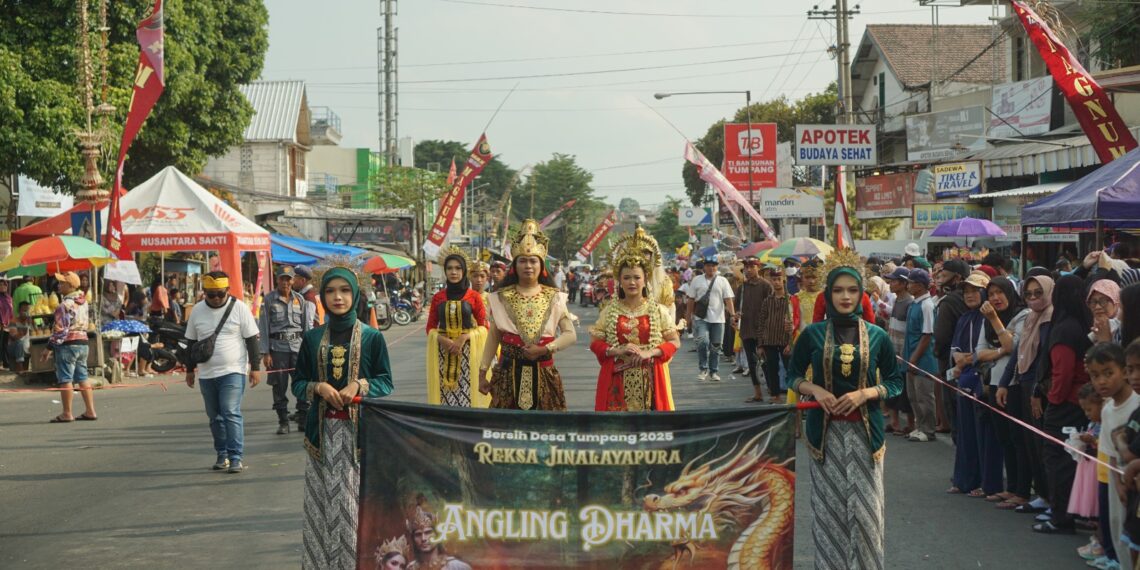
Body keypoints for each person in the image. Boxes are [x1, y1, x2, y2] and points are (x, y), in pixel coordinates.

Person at [789, 266, 904, 570]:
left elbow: (895, 381)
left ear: (861, 294)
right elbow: (793, 375)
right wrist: (815, 390)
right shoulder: (812, 334)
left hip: (866, 438)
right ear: (828, 294)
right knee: (829, 517)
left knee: (867, 519)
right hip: (825, 438)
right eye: (838, 290)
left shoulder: (877, 335)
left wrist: (865, 394)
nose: (845, 296)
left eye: (852, 290)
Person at [292, 266, 394, 569]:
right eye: (331, 291)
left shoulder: (373, 338)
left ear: (355, 294)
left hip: (358, 437)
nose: (338, 297)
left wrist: (359, 385)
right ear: (322, 296)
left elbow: (385, 381)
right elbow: (298, 382)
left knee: (352, 506)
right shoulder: (312, 339)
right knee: (322, 506)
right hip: (321, 436)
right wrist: (318, 387)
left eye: (345, 290)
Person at [478, 220, 576, 410]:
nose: (528, 266)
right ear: (515, 265)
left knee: (546, 432)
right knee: (505, 432)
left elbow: (570, 334)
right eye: (522, 261)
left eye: (533, 261)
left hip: (544, 375)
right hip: (507, 375)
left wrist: (546, 349)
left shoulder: (554, 297)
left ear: (542, 265)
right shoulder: (500, 297)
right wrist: (482, 372)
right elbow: (494, 336)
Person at [590, 229, 680, 411]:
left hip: (651, 379)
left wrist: (650, 353)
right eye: (627, 278)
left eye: (637, 277)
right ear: (619, 281)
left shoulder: (658, 310)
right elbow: (595, 342)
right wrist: (615, 350)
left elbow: (674, 341)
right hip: (617, 379)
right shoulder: (609, 311)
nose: (632, 282)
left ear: (645, 279)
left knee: (651, 432)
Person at [183, 271, 263, 473]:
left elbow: (252, 339)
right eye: (211, 294)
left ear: (227, 290)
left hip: (233, 370)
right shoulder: (197, 311)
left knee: (230, 411)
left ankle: (236, 457)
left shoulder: (240, 308)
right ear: (204, 293)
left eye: (220, 293)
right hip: (207, 374)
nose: (216, 298)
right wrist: (189, 370)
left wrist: (255, 368)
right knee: (214, 416)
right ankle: (222, 454)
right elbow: (191, 342)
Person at [1034, 274, 1094, 534]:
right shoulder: (1082, 324)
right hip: (1082, 404)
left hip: (1065, 405)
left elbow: (1063, 371)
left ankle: (1061, 517)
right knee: (1073, 462)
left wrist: (1053, 401)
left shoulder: (1064, 328)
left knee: (1058, 461)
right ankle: (1070, 512)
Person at [996, 275, 1054, 513]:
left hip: (1036, 388)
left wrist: (1037, 390)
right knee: (1027, 442)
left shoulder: (1050, 317)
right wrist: (1002, 383)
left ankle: (1049, 497)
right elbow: (1018, 352)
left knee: (1040, 444)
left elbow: (1044, 358)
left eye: (1038, 293)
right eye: (1028, 294)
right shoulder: (1031, 317)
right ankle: (1039, 493)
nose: (1032, 298)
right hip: (1020, 383)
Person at [977, 276, 1029, 504]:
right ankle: (1012, 488)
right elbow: (980, 353)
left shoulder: (1023, 315)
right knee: (1004, 437)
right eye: (991, 294)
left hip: (1014, 384)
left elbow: (1012, 346)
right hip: (994, 383)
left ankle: (1022, 491)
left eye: (1000, 292)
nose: (995, 298)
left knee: (1018, 437)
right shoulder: (986, 319)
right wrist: (1000, 351)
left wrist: (995, 322)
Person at [947, 271, 995, 497]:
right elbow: (957, 353)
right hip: (964, 378)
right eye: (966, 291)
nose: (969, 295)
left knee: (982, 434)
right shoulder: (964, 318)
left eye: (974, 290)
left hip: (983, 380)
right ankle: (964, 480)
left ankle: (984, 482)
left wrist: (970, 358)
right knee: (965, 432)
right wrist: (965, 359)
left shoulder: (991, 317)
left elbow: (985, 353)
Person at [426, 248, 490, 408]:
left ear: (464, 270)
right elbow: (430, 328)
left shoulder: (474, 297)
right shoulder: (438, 297)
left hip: (468, 352)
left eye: (458, 268)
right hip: (443, 352)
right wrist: (442, 339)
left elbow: (484, 326)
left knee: (467, 393)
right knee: (445, 395)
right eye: (449, 268)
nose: (453, 272)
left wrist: (464, 337)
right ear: (445, 271)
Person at [260, 267, 315, 434]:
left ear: (293, 280)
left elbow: (306, 327)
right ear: (277, 280)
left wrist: (309, 351)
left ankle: (303, 418)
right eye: (282, 279)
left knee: (302, 383)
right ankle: (283, 421)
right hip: (278, 349)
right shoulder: (269, 300)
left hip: (298, 347)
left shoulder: (300, 299)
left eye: (288, 279)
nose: (285, 282)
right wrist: (266, 353)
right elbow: (263, 327)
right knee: (279, 386)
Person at [43, 272, 95, 423]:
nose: (59, 285)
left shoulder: (64, 305)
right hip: (83, 342)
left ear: (71, 285)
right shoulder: (84, 301)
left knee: (65, 378)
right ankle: (90, 410)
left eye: (62, 283)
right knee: (83, 377)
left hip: (68, 344)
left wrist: (48, 348)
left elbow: (60, 331)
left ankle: (67, 413)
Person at [685, 257, 736, 382]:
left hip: (718, 319)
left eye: (714, 266)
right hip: (701, 318)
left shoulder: (723, 280)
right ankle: (703, 368)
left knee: (716, 346)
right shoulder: (697, 280)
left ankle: (714, 371)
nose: (711, 268)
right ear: (704, 267)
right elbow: (691, 299)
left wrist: (733, 315)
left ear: (717, 267)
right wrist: (688, 316)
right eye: (708, 265)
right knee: (702, 342)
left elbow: (728, 299)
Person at [934, 259, 970, 435]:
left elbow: (941, 336)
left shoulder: (949, 302)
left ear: (957, 278)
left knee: (956, 411)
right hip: (970, 360)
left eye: (945, 276)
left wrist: (938, 353)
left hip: (952, 362)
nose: (941, 279)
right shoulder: (960, 300)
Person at [903, 268, 938, 442]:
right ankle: (919, 426)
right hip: (911, 356)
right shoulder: (915, 303)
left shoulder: (927, 305)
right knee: (913, 395)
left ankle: (928, 429)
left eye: (911, 282)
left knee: (924, 396)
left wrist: (914, 359)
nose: (908, 285)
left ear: (919, 285)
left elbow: (927, 335)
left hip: (923, 359)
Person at [736, 259, 773, 402]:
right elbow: (736, 307)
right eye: (746, 267)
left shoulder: (766, 286)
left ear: (758, 268)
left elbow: (771, 308)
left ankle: (771, 388)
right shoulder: (742, 287)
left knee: (766, 361)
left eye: (752, 267)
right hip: (746, 329)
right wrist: (736, 314)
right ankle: (757, 393)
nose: (749, 269)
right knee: (752, 363)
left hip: (762, 330)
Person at [882, 267, 913, 434]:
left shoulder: (910, 303)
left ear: (903, 283)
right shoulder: (896, 301)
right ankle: (894, 422)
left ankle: (909, 424)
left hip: (903, 354)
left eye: (894, 281)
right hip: (892, 351)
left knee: (906, 392)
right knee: (891, 388)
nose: (891, 284)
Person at [758, 264, 794, 403]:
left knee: (790, 369)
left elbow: (794, 323)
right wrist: (760, 344)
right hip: (769, 340)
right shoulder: (767, 301)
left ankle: (793, 396)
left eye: (779, 279)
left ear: (783, 280)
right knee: (771, 369)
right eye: (773, 279)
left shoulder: (791, 300)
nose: (776, 282)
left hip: (786, 341)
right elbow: (761, 322)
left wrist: (790, 342)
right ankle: (775, 396)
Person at [405, 497, 471, 570]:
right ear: (413, 538)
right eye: (418, 534)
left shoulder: (457, 567)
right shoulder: (411, 568)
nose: (423, 538)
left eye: (428, 532)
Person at [7, 302, 31, 373]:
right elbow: (14, 337)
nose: (25, 313)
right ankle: (19, 366)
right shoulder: (13, 321)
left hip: (26, 347)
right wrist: (26, 327)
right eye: (24, 311)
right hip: (14, 347)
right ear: (19, 311)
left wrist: (31, 324)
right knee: (19, 343)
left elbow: (35, 334)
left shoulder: (30, 321)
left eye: (27, 311)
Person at [0, 279, 12, 369]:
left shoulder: (8, 297)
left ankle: (6, 363)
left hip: (7, 324)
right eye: (1, 285)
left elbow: (11, 310)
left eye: (5, 285)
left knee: (5, 344)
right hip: (1, 324)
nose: (3, 287)